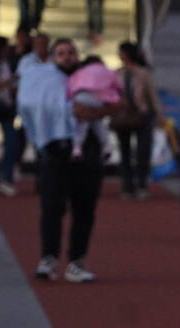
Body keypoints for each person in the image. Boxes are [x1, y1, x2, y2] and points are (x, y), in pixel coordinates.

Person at [18, 37, 112, 283]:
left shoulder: (87, 78)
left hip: (86, 151)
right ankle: (48, 258)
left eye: (71, 52)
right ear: (52, 57)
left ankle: (76, 261)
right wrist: (68, 109)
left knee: (84, 210)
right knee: (51, 207)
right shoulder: (43, 79)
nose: (67, 56)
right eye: (61, 53)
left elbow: (112, 102)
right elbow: (31, 105)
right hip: (55, 150)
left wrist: (96, 111)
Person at [112, 41, 159, 199]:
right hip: (122, 115)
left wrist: (158, 115)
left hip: (142, 114)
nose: (119, 55)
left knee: (142, 151)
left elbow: (152, 95)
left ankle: (141, 184)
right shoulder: (117, 73)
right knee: (124, 151)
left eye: (121, 52)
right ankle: (127, 185)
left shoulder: (143, 73)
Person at [64, 55, 120, 159]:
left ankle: (77, 148)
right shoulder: (107, 71)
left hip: (81, 98)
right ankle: (106, 146)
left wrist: (72, 101)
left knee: (82, 123)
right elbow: (118, 86)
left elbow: (70, 87)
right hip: (99, 100)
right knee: (97, 122)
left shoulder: (80, 72)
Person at [0, 36, 20, 196]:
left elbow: (11, 88)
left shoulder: (6, 64)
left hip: (6, 109)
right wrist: (10, 82)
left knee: (11, 143)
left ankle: (7, 179)